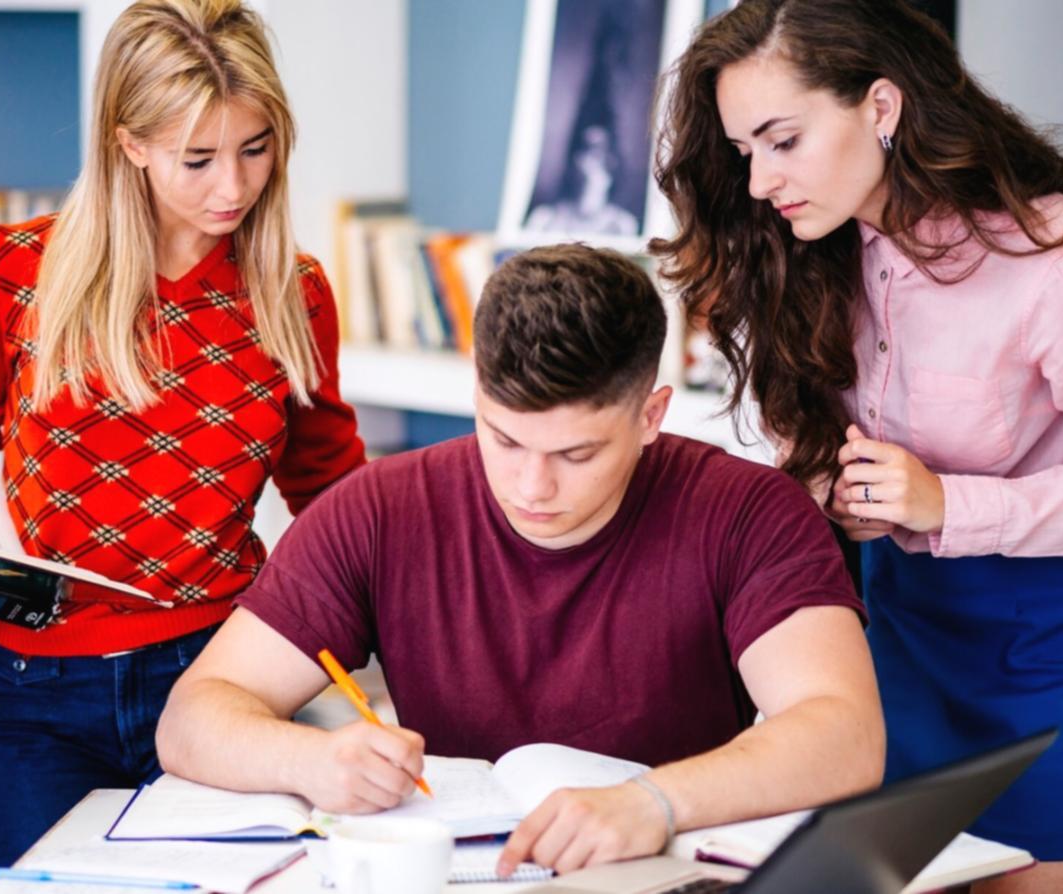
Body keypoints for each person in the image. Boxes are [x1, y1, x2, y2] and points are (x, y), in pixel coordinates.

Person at [651, 2, 1063, 892]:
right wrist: (832, 484)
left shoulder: (1059, 268)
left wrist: (945, 502)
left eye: (781, 140)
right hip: (904, 637)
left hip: (1062, 650)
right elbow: (821, 441)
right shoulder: (813, 253)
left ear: (880, 106)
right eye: (744, 150)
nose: (757, 182)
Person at [157, 243, 884, 877]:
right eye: (504, 441)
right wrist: (310, 762)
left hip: (657, 871)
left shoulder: (748, 512)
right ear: (476, 396)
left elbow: (843, 734)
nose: (531, 488)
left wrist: (656, 802)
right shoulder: (377, 509)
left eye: (576, 453)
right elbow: (193, 719)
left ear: (651, 415)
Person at [0, 0, 365, 873]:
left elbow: (334, 496)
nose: (233, 186)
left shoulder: (292, 293)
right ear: (128, 143)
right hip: (32, 693)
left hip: (221, 682)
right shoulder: (14, 270)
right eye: (198, 158)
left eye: (255, 148)